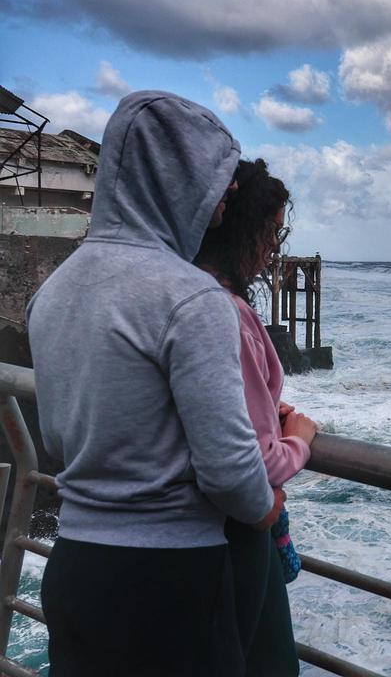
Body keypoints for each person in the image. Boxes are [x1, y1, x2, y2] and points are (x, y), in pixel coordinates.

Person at [26, 91, 284, 677]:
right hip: (170, 579)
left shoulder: (55, 290)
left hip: (75, 565)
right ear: (182, 180)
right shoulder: (191, 299)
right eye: (218, 183)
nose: (224, 204)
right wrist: (269, 508)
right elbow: (229, 471)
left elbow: (57, 438)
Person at [195, 158, 318, 676]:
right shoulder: (225, 311)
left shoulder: (184, 290)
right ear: (238, 225)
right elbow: (259, 462)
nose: (276, 248)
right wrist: (300, 440)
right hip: (231, 538)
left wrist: (265, 407)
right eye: (271, 232)